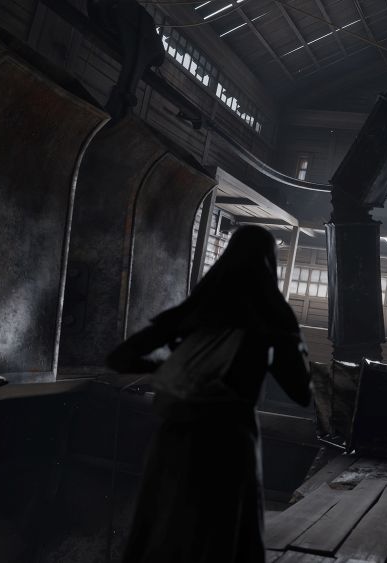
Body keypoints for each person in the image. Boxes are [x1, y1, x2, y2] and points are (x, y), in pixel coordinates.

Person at [107, 225, 311, 563]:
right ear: (270, 264)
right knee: (221, 533)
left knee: (165, 525)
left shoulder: (195, 311)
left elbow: (120, 359)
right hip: (230, 440)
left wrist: (176, 367)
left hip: (176, 438)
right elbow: (301, 393)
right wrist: (291, 339)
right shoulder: (271, 320)